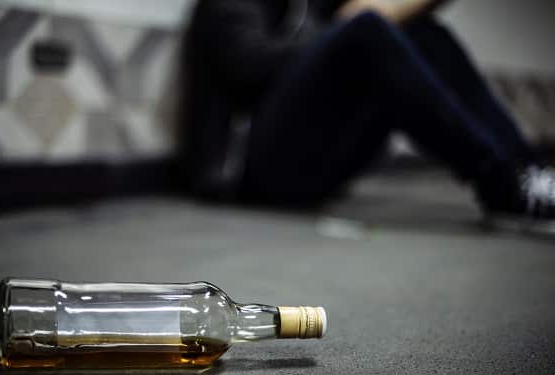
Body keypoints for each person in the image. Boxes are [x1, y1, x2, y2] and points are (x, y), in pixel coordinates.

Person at [178, 0, 555, 232]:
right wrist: (339, 37)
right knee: (368, 28)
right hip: (247, 174)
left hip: (314, 169)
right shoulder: (231, 4)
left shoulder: (311, 7)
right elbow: (248, 66)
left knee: (419, 32)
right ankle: (500, 183)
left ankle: (525, 173)